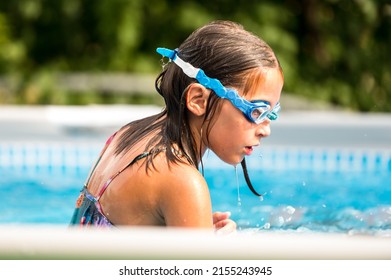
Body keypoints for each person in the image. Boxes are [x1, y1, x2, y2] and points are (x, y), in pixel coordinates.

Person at [70, 20, 283, 234]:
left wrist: (189, 221)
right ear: (198, 100)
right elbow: (195, 269)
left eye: (272, 113)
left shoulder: (127, 134)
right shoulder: (183, 181)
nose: (266, 129)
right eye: (256, 112)